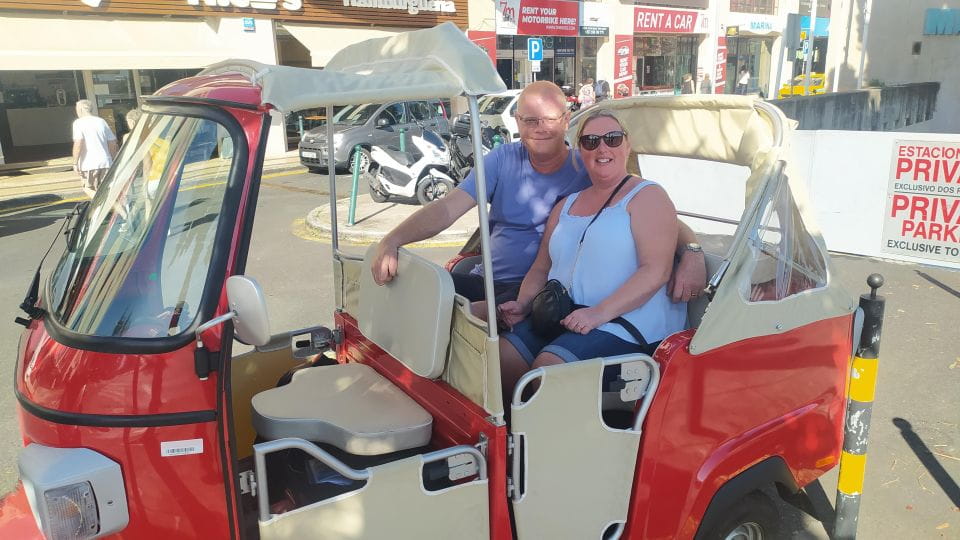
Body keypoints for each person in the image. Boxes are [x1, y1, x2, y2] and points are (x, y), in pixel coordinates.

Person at [370, 81, 706, 312]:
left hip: (542, 290)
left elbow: (654, 214)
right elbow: (447, 208)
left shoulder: (591, 164)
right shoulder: (501, 159)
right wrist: (393, 239)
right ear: (517, 122)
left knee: (454, 318)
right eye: (530, 120)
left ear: (566, 120)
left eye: (549, 119)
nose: (540, 128)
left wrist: (691, 251)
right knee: (417, 296)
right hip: (487, 277)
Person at [496, 108, 688, 394]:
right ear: (580, 150)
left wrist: (599, 313)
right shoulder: (567, 205)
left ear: (627, 144)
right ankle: (512, 436)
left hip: (625, 323)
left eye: (612, 138)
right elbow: (541, 266)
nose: (602, 148)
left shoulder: (647, 196)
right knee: (501, 356)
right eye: (590, 141)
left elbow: (656, 270)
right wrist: (524, 303)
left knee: (549, 370)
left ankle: (556, 437)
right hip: (566, 315)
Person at [72, 99, 118, 198]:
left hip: (88, 164)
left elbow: (78, 143)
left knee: (88, 188)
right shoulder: (101, 121)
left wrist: (75, 163)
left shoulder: (78, 123)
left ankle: (105, 206)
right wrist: (113, 159)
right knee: (106, 190)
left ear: (80, 109)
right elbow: (112, 143)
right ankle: (108, 208)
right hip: (105, 162)